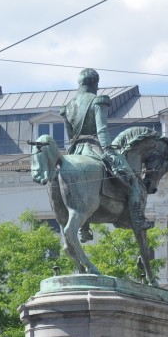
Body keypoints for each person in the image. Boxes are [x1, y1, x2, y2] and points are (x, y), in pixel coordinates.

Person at [60, 67, 147, 234]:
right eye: (97, 84)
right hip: (94, 147)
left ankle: (83, 229)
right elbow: (101, 130)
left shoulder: (68, 107)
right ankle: (137, 218)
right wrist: (109, 150)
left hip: (74, 152)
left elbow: (71, 137)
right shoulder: (98, 101)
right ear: (94, 82)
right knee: (133, 180)